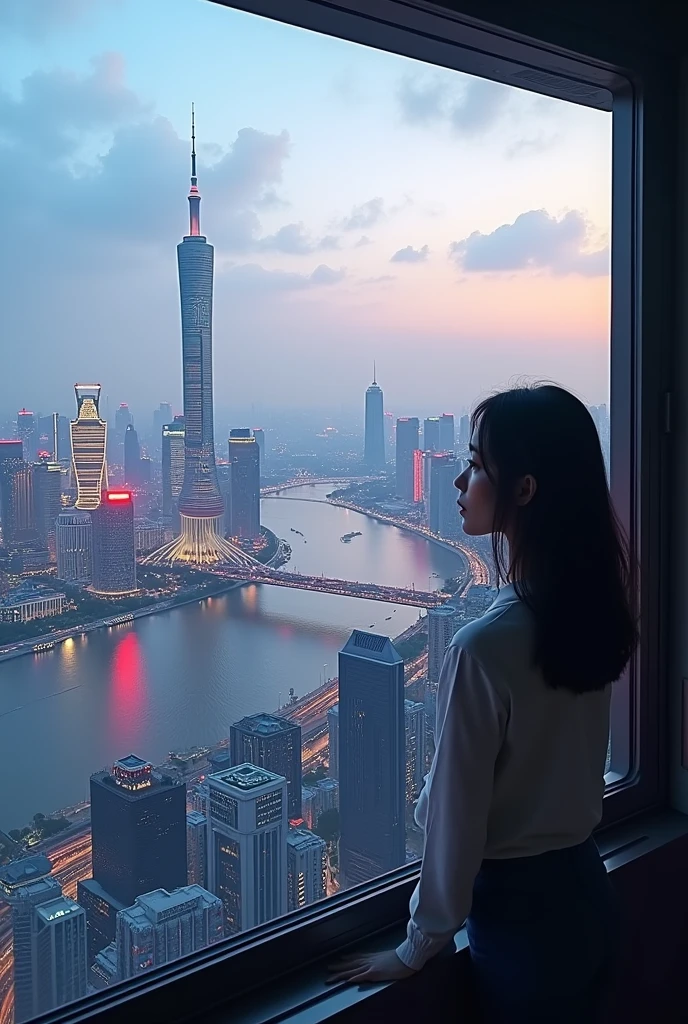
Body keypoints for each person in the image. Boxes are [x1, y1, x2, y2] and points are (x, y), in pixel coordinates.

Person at [329, 384, 637, 1023]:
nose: (460, 482)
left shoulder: (485, 647)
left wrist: (417, 949)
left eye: (475, 466)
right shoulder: (589, 610)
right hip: (590, 895)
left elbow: (454, 817)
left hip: (521, 929)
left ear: (524, 490)